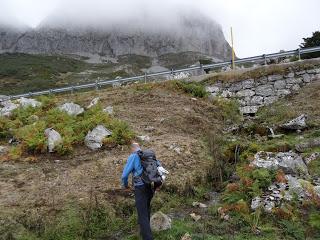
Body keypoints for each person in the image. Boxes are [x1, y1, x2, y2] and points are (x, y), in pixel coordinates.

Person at [121, 142, 154, 240]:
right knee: (146, 210)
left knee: (142, 214)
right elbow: (158, 167)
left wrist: (126, 185)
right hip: (150, 186)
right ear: (139, 147)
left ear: (131, 148)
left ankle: (148, 238)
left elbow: (124, 175)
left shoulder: (133, 156)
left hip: (140, 188)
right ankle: (144, 233)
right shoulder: (148, 155)